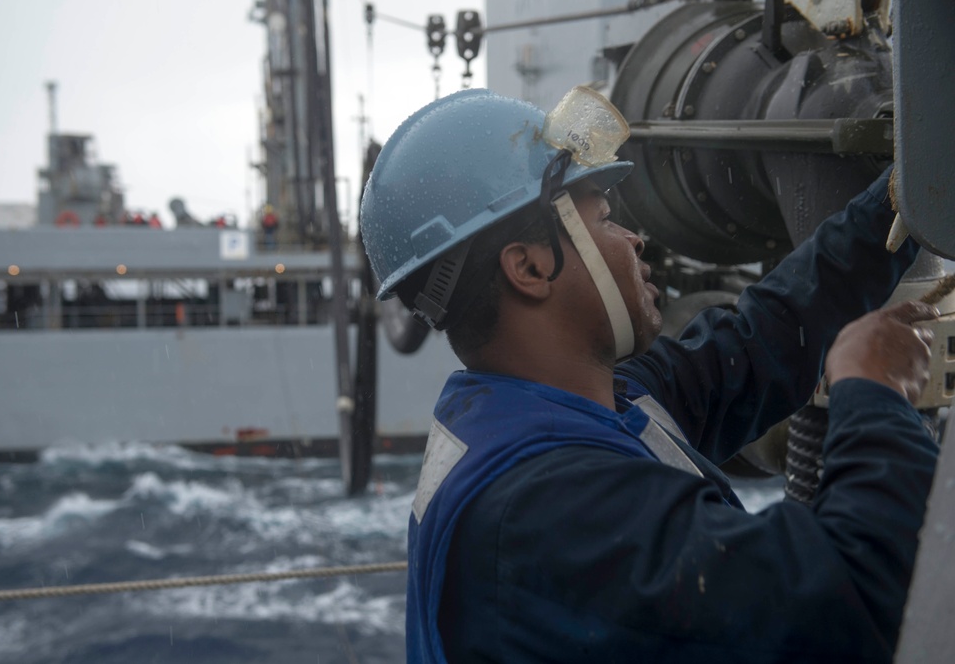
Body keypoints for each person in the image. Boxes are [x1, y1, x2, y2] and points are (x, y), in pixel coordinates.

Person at [359, 88, 939, 663]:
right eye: (606, 219)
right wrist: (874, 393)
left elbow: (768, 334)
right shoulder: (552, 511)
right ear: (530, 267)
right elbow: (862, 603)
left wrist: (904, 195)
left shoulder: (576, 408)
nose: (636, 240)